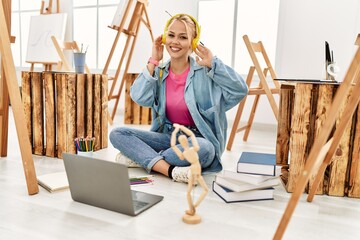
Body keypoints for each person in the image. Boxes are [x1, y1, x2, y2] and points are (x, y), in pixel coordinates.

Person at [109, 13, 248, 183]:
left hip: (199, 140)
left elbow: (240, 89)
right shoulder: (160, 73)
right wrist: (153, 60)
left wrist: (214, 64)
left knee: (205, 149)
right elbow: (139, 97)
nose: (175, 41)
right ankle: (170, 170)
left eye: (183, 37)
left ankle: (143, 158)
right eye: (171, 35)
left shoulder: (206, 72)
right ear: (165, 38)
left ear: (193, 42)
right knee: (118, 133)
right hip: (169, 139)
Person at [171, 123, 208, 222]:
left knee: (189, 192)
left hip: (192, 169)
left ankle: (192, 207)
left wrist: (175, 131)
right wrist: (181, 128)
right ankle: (193, 207)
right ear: (186, 141)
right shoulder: (193, 148)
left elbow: (173, 146)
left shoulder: (184, 153)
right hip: (195, 169)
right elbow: (191, 134)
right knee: (204, 190)